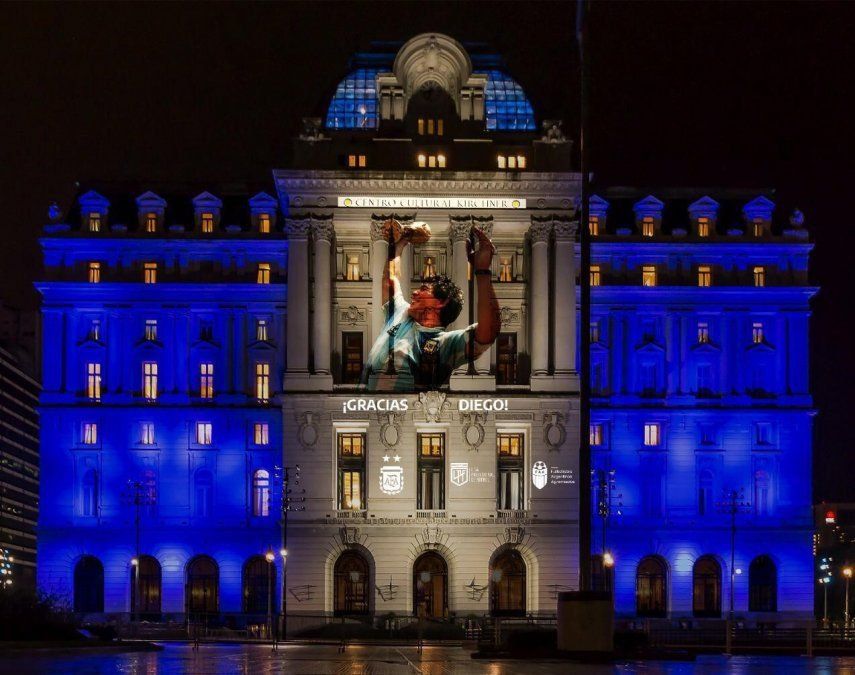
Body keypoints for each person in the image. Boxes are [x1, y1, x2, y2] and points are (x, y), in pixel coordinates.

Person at [361, 220, 500, 391]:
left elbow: (490, 331)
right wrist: (399, 245)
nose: (414, 293)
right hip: (369, 402)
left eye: (424, 290)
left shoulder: (448, 343)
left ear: (442, 303)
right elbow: (389, 280)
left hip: (406, 411)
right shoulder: (401, 312)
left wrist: (482, 271)